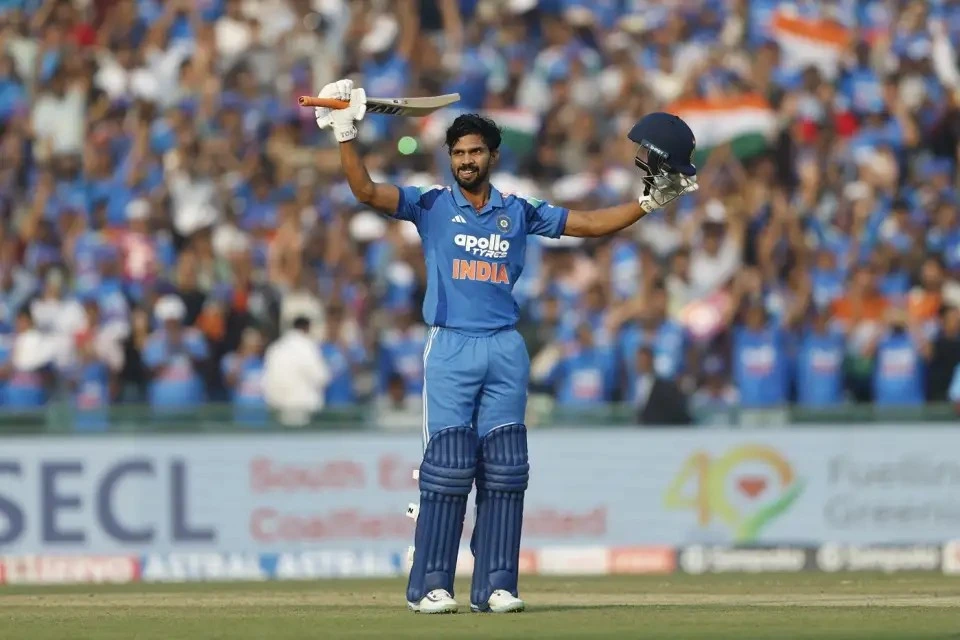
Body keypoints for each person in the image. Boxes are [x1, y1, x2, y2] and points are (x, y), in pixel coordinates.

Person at [314, 78, 699, 614]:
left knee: (505, 469)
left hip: (504, 348)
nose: (466, 161)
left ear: (492, 156)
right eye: (458, 153)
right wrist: (344, 132)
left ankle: (496, 584)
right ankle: (430, 585)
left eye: (475, 152)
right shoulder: (430, 204)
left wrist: (646, 204)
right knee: (448, 467)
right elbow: (366, 191)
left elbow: (588, 223)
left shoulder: (517, 210)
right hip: (451, 346)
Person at [262, 315, 331, 427]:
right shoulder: (308, 347)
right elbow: (322, 378)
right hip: (303, 409)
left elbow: (265, 381)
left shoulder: (275, 348)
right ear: (307, 328)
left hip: (278, 409)